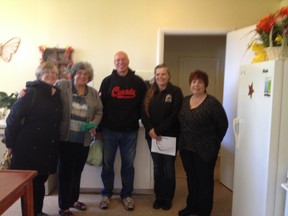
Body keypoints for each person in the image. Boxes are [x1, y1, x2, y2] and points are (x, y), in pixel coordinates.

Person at [4, 61, 62, 216]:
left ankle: (37, 211)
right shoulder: (31, 92)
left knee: (40, 181)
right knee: (30, 185)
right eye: (47, 72)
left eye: (54, 72)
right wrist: (9, 144)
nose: (51, 75)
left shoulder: (56, 94)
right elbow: (13, 119)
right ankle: (30, 213)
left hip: (45, 148)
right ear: (39, 74)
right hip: (28, 148)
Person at [98, 51, 147, 211]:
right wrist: (98, 129)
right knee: (107, 164)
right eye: (117, 60)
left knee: (128, 165)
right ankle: (106, 194)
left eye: (123, 59)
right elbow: (100, 107)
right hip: (109, 130)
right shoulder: (107, 81)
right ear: (114, 62)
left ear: (128, 61)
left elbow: (144, 105)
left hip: (130, 131)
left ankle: (127, 195)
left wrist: (139, 120)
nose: (120, 62)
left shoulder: (138, 82)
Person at [178, 70, 228, 216]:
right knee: (191, 178)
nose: (196, 85)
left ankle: (204, 211)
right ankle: (191, 206)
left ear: (205, 84)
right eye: (193, 82)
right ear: (190, 84)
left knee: (205, 180)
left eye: (200, 82)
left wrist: (214, 142)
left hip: (206, 150)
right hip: (186, 148)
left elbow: (223, 125)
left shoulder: (212, 103)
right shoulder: (185, 100)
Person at [56, 61, 103, 216]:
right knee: (65, 172)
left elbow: (99, 111)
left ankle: (74, 200)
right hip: (66, 139)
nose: (82, 76)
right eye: (79, 73)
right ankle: (64, 207)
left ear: (89, 77)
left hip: (83, 140)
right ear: (73, 74)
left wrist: (93, 123)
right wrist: (27, 89)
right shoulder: (64, 86)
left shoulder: (93, 93)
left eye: (85, 74)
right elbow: (46, 89)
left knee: (77, 171)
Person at [141, 63, 183, 210]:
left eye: (163, 74)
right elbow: (143, 114)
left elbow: (175, 115)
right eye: (157, 74)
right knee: (158, 167)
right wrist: (150, 130)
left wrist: (158, 130)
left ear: (169, 76)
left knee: (169, 168)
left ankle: (168, 197)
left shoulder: (176, 92)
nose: (160, 77)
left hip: (170, 137)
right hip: (152, 136)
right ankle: (159, 197)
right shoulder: (149, 92)